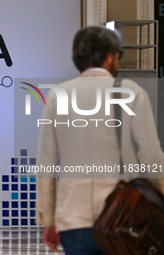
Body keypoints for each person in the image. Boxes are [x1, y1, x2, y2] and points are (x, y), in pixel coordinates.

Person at [36, 26, 164, 255]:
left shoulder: (59, 96)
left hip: (74, 220)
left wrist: (49, 218)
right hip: (124, 216)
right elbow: (151, 156)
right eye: (118, 55)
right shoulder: (131, 92)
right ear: (108, 56)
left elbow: (46, 164)